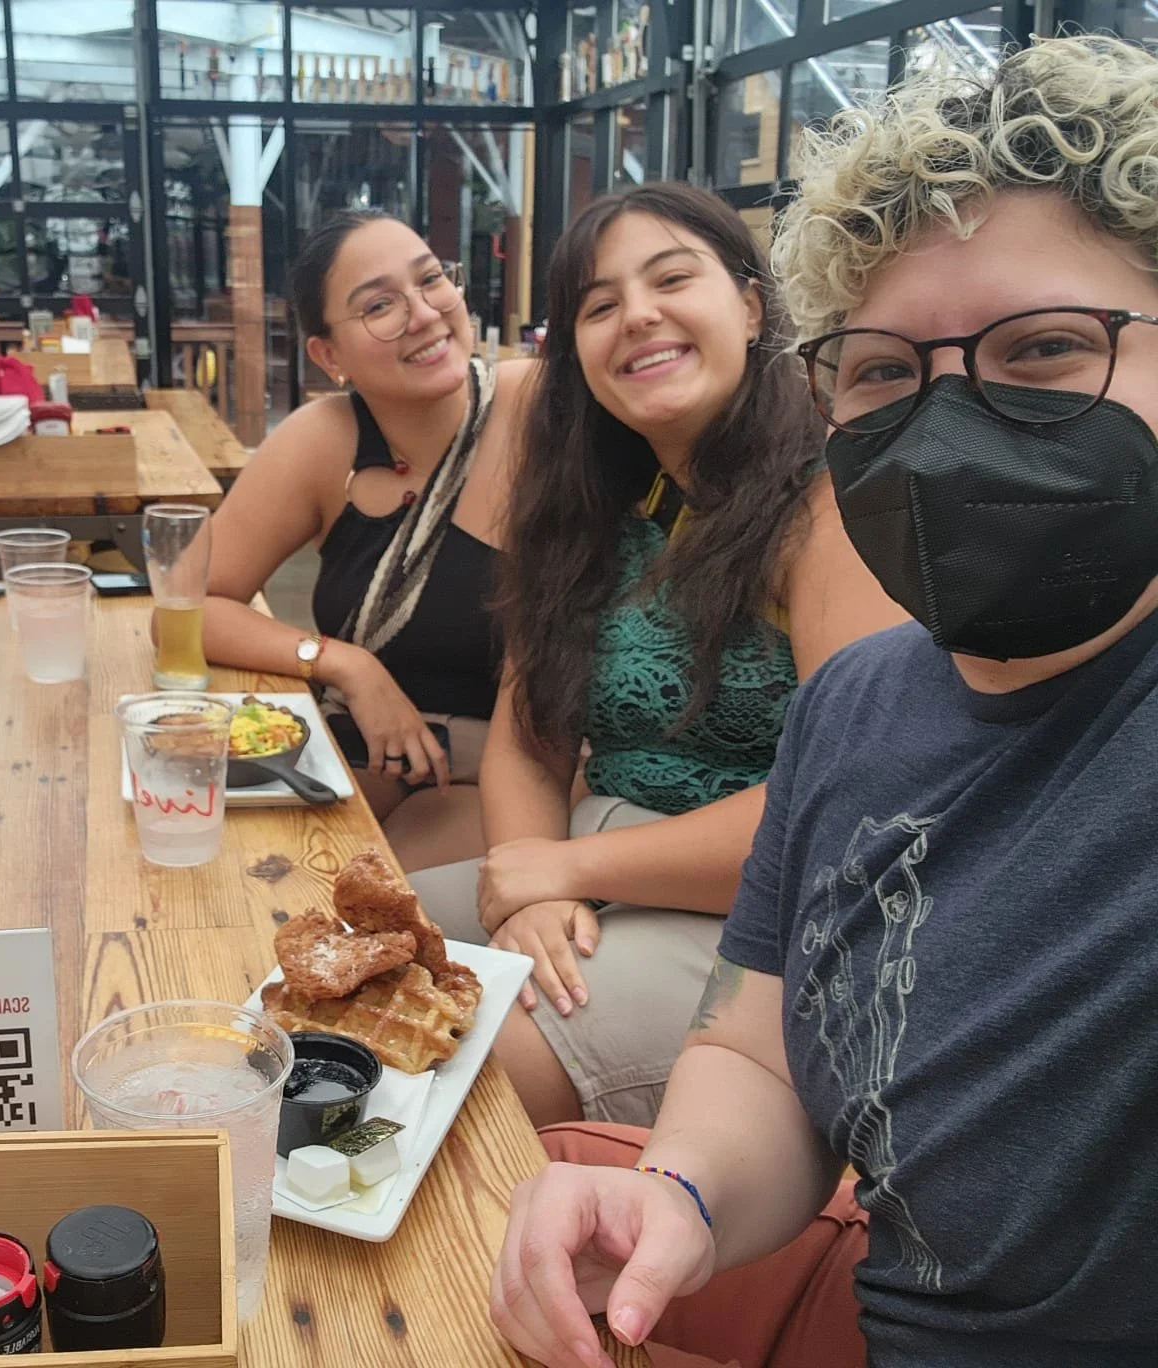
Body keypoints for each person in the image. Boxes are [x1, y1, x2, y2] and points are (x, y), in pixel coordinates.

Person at [492, 34, 1158, 1368]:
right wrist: (678, 1186)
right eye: (882, 373)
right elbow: (761, 1049)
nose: (951, 423)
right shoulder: (861, 706)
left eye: (1042, 350)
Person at [411, 182, 902, 1130]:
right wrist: (528, 883)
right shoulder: (590, 507)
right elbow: (526, 740)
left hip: (767, 922)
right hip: (598, 860)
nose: (637, 315)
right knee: (339, 962)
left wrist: (566, 872)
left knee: (456, 1074)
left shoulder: (828, 502)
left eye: (672, 278)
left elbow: (844, 809)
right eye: (599, 306)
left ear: (753, 305)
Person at [201, 212, 534, 871]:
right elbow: (188, 607)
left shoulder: (535, 404)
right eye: (379, 305)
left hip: (509, 774)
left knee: (355, 912)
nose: (424, 313)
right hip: (360, 751)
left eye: (431, 279)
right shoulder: (321, 439)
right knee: (227, 879)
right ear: (329, 356)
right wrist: (346, 665)